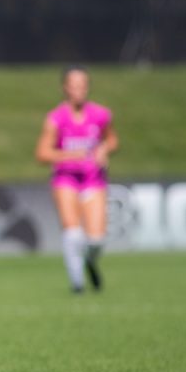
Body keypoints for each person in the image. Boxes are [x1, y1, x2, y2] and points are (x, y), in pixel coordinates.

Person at [35, 65, 118, 293]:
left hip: (93, 180)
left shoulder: (100, 115)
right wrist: (70, 155)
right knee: (72, 233)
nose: (79, 90)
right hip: (66, 179)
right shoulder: (56, 118)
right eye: (74, 86)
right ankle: (77, 283)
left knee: (96, 240)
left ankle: (90, 261)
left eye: (83, 85)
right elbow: (42, 153)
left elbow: (112, 140)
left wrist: (103, 149)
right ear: (65, 88)